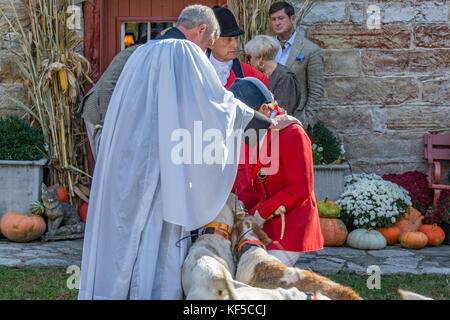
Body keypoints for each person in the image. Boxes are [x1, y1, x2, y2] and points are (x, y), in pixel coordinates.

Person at [78, 5, 299, 300]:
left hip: (127, 161)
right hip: (161, 168)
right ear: (202, 31)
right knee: (158, 235)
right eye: (209, 45)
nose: (207, 51)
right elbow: (215, 105)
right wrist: (266, 124)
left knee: (127, 230)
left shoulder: (141, 53)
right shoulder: (185, 54)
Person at [79, 13, 215, 160]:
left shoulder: (166, 61)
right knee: (108, 160)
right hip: (99, 112)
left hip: (124, 116)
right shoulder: (136, 53)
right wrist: (111, 125)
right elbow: (108, 85)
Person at [229, 77, 324, 267]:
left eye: (244, 117)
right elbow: (255, 182)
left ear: (264, 109)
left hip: (289, 226)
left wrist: (258, 214)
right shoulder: (259, 128)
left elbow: (299, 190)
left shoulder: (293, 134)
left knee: (258, 276)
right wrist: (236, 211)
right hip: (264, 221)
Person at [269, 1, 324, 133]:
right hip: (268, 124)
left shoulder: (310, 50)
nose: (277, 23)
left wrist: (304, 122)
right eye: (273, 19)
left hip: (295, 123)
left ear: (292, 19)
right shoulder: (266, 48)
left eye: (281, 18)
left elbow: (316, 92)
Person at [208, 6, 269, 90]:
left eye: (236, 38)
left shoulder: (256, 78)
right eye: (228, 39)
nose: (235, 45)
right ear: (210, 42)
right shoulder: (193, 73)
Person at [245, 34, 301, 115]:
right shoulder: (259, 75)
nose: (248, 62)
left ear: (260, 57)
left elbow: (283, 111)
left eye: (249, 57)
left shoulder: (285, 78)